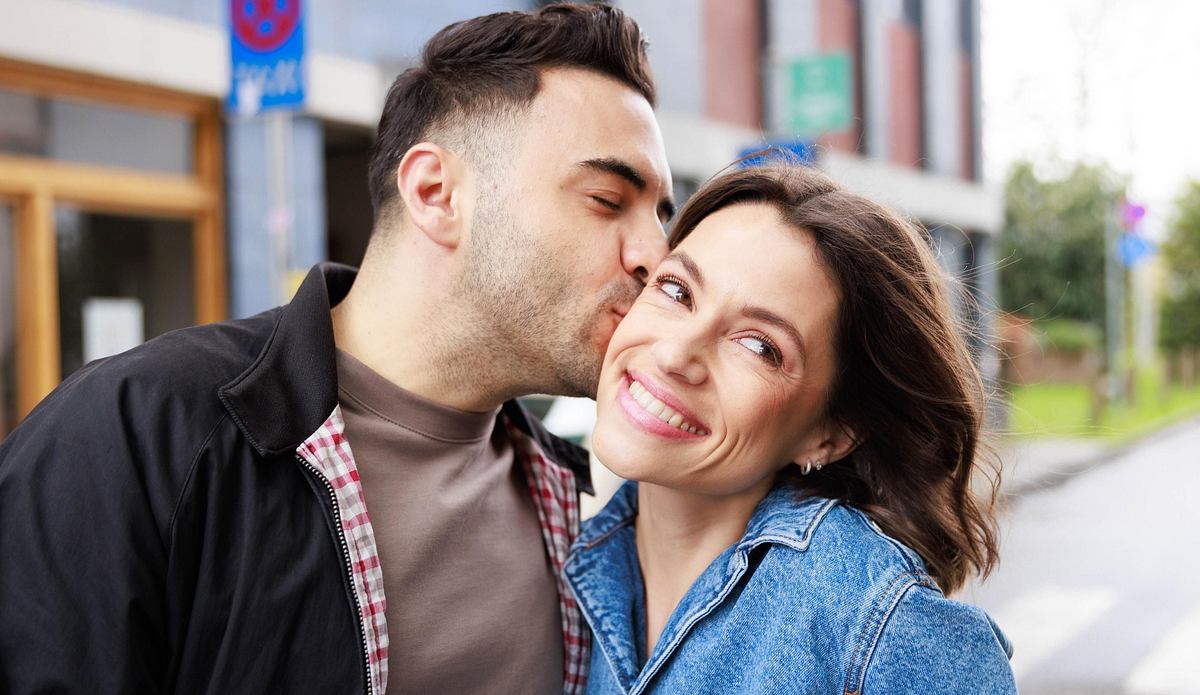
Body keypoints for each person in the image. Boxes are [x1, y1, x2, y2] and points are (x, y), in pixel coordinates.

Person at [0, 5, 674, 694]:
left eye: (660, 214)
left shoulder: (577, 496)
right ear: (436, 194)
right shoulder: (130, 438)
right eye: (606, 198)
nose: (657, 254)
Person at [564, 162, 1018, 693]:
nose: (674, 353)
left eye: (759, 346)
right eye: (678, 290)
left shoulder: (881, 630)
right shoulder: (564, 556)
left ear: (831, 434)